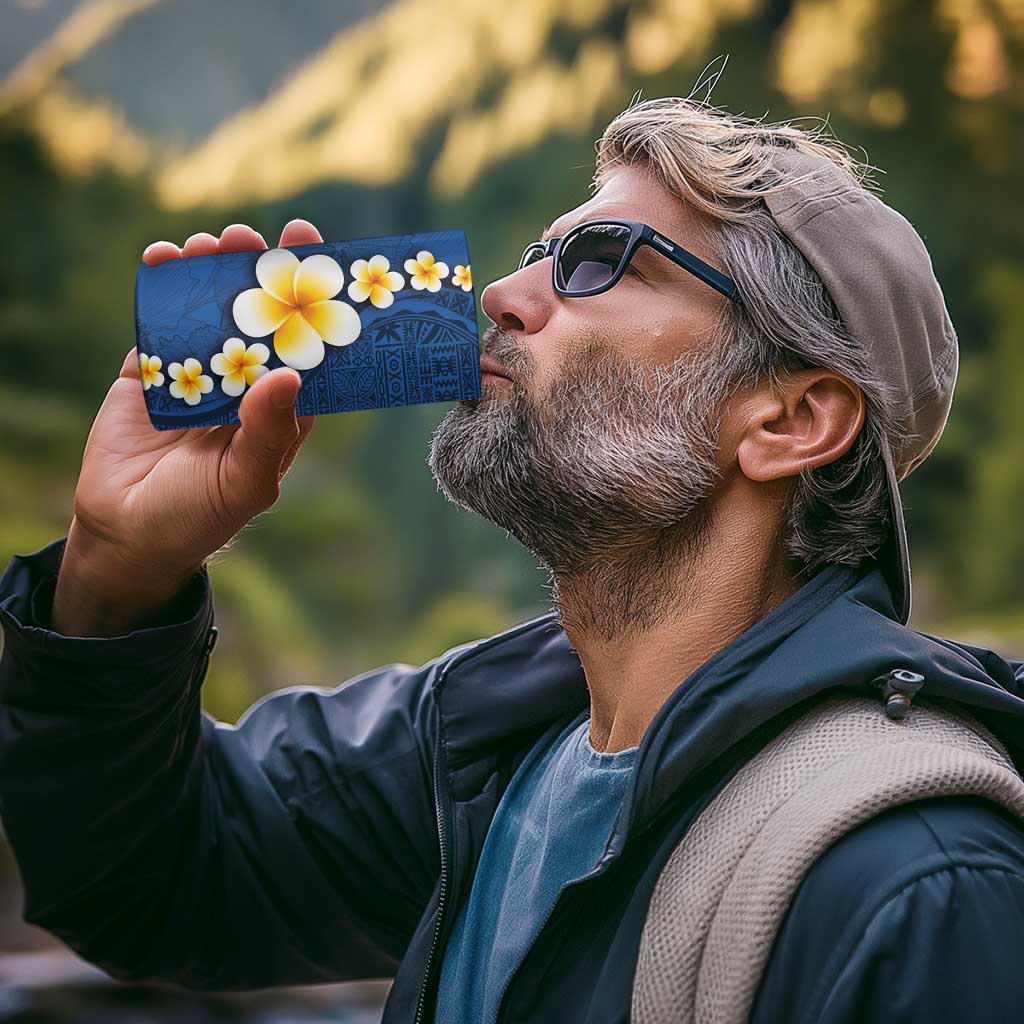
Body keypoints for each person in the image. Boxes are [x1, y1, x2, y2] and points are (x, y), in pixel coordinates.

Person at [2, 95, 1024, 1024]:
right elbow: (149, 880)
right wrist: (115, 572)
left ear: (791, 420)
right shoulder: (479, 749)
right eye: (540, 252)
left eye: (600, 261)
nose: (502, 291)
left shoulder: (918, 884)